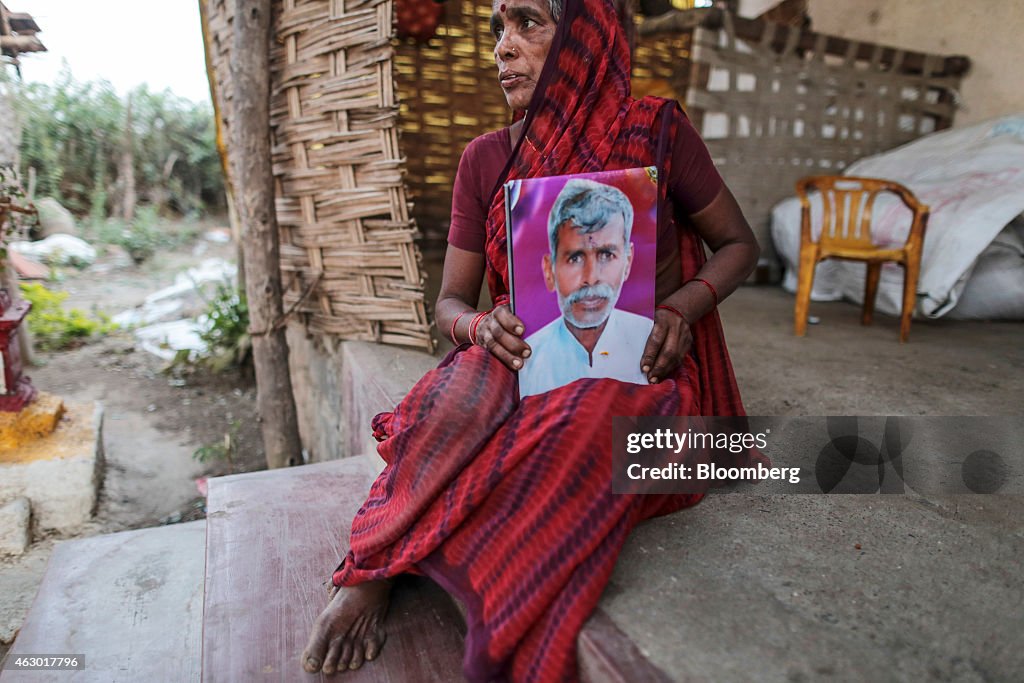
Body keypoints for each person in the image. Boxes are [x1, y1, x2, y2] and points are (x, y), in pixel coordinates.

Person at [302, 0, 763, 680]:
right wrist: (479, 325)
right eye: (497, 30)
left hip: (633, 362)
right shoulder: (487, 157)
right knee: (454, 402)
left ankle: (458, 564)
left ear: (588, 34)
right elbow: (451, 303)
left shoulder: (659, 130)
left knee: (578, 425)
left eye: (527, 23)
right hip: (525, 352)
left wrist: (679, 310)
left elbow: (738, 245)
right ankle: (376, 558)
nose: (502, 48)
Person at [519, 178, 653, 397]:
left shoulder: (649, 341)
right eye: (575, 258)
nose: (591, 279)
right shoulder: (528, 358)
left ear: (628, 262)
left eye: (607, 255)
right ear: (549, 270)